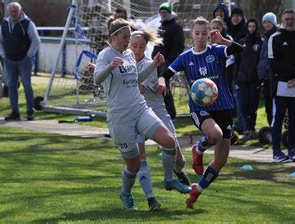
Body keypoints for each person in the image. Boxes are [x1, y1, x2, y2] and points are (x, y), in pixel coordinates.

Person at [94, 18, 190, 210]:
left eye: (129, 36)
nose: (127, 41)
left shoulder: (129, 54)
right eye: (124, 37)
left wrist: (153, 65)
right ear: (113, 37)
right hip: (120, 117)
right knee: (134, 165)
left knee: (169, 141)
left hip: (140, 108)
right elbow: (97, 79)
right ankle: (126, 193)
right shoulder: (105, 55)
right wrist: (110, 67)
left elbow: (135, 78)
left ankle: (169, 179)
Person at [159, 17, 243, 208]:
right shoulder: (186, 57)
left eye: (204, 33)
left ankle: (198, 190)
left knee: (221, 160)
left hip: (223, 106)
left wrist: (224, 41)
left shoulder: (217, 51)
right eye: (197, 33)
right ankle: (199, 148)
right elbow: (166, 73)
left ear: (209, 34)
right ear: (192, 34)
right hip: (200, 109)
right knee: (215, 135)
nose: (200, 37)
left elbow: (240, 50)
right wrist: (162, 81)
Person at [133, 29, 191, 210]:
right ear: (128, 45)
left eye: (141, 46)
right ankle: (151, 199)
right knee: (138, 158)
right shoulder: (123, 63)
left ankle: (175, 172)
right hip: (135, 112)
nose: (137, 50)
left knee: (180, 159)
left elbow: (141, 87)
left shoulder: (150, 65)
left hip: (156, 109)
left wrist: (161, 81)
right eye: (134, 46)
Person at [268, 9, 295, 163]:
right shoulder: (275, 38)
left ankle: (292, 150)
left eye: (292, 19)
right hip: (281, 85)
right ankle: (276, 152)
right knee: (278, 118)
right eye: (287, 18)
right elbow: (273, 63)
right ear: (282, 19)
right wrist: (294, 73)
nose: (289, 21)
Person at [0, 2, 40, 121]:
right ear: (9, 12)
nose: (14, 13)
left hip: (24, 60)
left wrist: (29, 55)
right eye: (12, 11)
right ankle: (15, 112)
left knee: (27, 85)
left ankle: (30, 112)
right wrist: (3, 55)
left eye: (16, 11)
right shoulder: (4, 24)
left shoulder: (28, 23)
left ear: (20, 11)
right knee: (11, 85)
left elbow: (36, 40)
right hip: (9, 59)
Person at [152, 2, 185, 120]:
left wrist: (170, 59)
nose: (163, 14)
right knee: (159, 86)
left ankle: (171, 113)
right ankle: (163, 112)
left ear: (170, 13)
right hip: (157, 61)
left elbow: (179, 45)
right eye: (161, 12)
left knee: (164, 85)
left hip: (167, 61)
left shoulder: (176, 27)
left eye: (165, 12)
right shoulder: (161, 26)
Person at [236, 18, 263, 142]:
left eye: (253, 26)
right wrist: (236, 77)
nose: (251, 28)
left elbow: (261, 62)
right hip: (242, 80)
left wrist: (259, 77)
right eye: (249, 26)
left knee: (253, 106)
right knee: (243, 105)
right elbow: (237, 62)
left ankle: (251, 129)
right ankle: (247, 129)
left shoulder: (260, 42)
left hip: (254, 80)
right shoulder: (242, 42)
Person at [228, 7, 247, 133]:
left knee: (238, 97)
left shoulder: (245, 32)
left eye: (238, 16)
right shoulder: (227, 31)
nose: (235, 18)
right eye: (233, 15)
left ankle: (242, 125)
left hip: (240, 69)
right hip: (228, 68)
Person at [257, 12, 277, 127]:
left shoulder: (276, 36)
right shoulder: (265, 38)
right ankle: (271, 126)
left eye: (269, 21)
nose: (267, 24)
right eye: (265, 22)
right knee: (268, 104)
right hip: (265, 76)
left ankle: (276, 126)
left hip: (273, 76)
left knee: (274, 103)